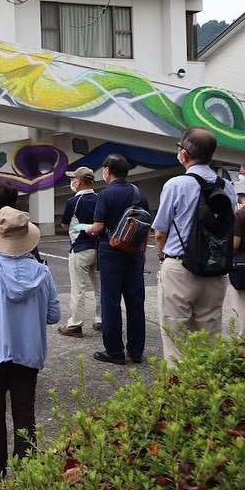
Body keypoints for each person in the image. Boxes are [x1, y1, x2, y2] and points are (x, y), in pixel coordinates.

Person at [0, 207, 60, 478]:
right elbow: (54, 316)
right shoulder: (43, 273)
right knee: (25, 412)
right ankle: (27, 473)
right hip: (29, 354)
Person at [152, 127, 237, 363]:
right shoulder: (227, 186)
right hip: (215, 269)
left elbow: (160, 233)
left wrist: (162, 259)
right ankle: (204, 393)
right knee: (209, 341)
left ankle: (178, 394)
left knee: (175, 339)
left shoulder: (176, 184)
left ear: (184, 153)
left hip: (180, 268)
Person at [85, 154, 149, 365]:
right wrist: (143, 251)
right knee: (135, 301)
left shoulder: (106, 194)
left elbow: (98, 227)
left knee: (111, 301)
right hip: (135, 252)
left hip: (111, 251)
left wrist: (88, 230)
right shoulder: (139, 193)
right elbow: (145, 224)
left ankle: (114, 351)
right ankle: (136, 351)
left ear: (108, 171)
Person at [58, 167, 102, 337]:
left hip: (80, 248)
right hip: (98, 248)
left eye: (73, 179)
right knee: (100, 287)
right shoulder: (99, 199)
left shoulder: (73, 202)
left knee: (78, 288)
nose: (72, 182)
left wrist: (80, 227)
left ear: (79, 181)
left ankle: (75, 324)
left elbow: (65, 224)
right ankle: (100, 320)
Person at [230, 179, 245, 335]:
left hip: (243, 267)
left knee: (243, 308)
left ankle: (243, 350)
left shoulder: (240, 215)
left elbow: (234, 244)